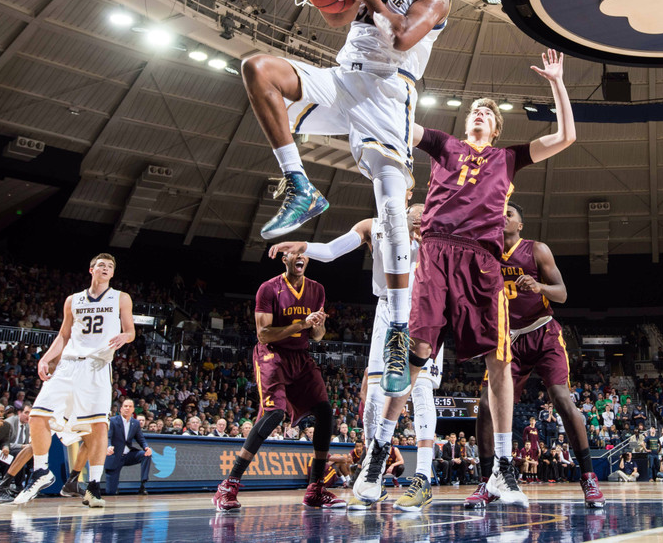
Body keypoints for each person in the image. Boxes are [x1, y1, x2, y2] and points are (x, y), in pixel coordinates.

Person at [352, 48, 576, 510]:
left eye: (487, 114)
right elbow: (399, 124)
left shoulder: (507, 158)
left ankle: (503, 468)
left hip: (482, 263)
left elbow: (566, 136)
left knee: (499, 361)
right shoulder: (443, 144)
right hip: (436, 253)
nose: (478, 115)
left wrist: (557, 83)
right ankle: (376, 455)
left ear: (495, 129)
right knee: (413, 358)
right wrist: (382, 81)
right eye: (474, 110)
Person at [242, 0, 450, 402]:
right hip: (341, 78)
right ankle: (300, 185)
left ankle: (398, 330)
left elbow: (403, 37)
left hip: (386, 90)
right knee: (258, 69)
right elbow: (339, 19)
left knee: (391, 211)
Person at [269, 203, 443, 511]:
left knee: (420, 389)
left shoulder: (430, 224)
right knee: (374, 396)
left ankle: (423, 476)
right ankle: (372, 472)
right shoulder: (372, 225)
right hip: (387, 308)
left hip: (423, 307)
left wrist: (427, 233)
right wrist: (304, 245)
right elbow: (332, 250)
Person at [468, 199, 603, 507]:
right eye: (498, 213)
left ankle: (588, 477)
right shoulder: (486, 253)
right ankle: (488, 482)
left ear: (520, 224)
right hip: (508, 339)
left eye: (509, 214)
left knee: (562, 399)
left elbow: (563, 293)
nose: (502, 217)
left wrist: (540, 287)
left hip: (543, 333)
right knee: (485, 406)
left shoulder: (537, 250)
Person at [212, 252, 345, 510]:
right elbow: (263, 335)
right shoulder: (269, 288)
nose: (300, 257)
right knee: (274, 413)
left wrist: (317, 326)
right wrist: (301, 324)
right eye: (295, 253)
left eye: (304, 253)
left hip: (300, 356)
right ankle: (228, 485)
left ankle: (315, 488)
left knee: (325, 411)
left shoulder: (317, 289)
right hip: (272, 354)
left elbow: (317, 335)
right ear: (285, 258)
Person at [16, 253, 135, 507]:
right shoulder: (73, 300)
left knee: (98, 426)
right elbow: (63, 334)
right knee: (37, 415)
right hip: (68, 364)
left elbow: (131, 331)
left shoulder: (121, 298)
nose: (105, 268)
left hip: (97, 365)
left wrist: (125, 337)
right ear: (91, 269)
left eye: (110, 266)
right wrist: (45, 358)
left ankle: (93, 486)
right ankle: (41, 471)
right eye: (101, 265)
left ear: (113, 273)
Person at [105, 398, 152, 495]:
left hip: (128, 455)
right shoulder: (113, 421)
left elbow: (141, 438)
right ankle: (114, 488)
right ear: (121, 409)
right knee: (111, 492)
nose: (127, 408)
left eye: (130, 406)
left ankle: (143, 484)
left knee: (146, 455)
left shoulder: (135, 423)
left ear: (133, 409)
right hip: (115, 456)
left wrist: (146, 447)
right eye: (125, 406)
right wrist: (109, 446)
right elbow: (108, 437)